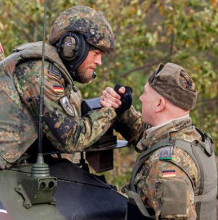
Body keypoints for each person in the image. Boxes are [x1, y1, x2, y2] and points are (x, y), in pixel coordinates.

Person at [0, 6, 117, 169]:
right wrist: (110, 111)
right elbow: (70, 139)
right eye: (96, 53)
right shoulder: (40, 73)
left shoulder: (54, 72)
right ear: (72, 47)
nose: (99, 62)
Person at [100, 63, 217, 219]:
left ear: (160, 104)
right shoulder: (191, 137)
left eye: (145, 93)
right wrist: (123, 111)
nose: (141, 98)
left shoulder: (168, 164)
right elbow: (152, 139)